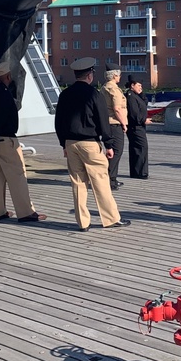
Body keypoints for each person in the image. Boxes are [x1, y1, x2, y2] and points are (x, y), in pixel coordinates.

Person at [54, 57, 130, 231]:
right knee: (100, 180)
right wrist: (109, 144)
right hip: (89, 143)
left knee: (78, 182)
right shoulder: (94, 94)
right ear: (89, 75)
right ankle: (110, 218)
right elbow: (103, 121)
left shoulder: (65, 94)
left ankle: (82, 222)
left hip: (70, 143)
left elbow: (59, 122)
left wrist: (63, 144)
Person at [0, 62, 46, 223]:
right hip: (5, 140)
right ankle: (26, 212)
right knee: (17, 175)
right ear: (8, 76)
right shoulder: (5, 94)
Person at [100, 62, 128, 191]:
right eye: (119, 75)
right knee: (116, 152)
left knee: (112, 151)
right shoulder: (114, 89)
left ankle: (112, 178)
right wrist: (123, 123)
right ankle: (110, 179)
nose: (120, 77)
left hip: (107, 123)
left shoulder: (104, 87)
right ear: (115, 75)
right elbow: (117, 108)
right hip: (114, 123)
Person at [124, 74, 150, 179]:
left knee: (138, 148)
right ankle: (140, 172)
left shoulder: (136, 96)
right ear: (132, 85)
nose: (140, 88)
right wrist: (143, 120)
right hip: (135, 126)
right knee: (141, 147)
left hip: (139, 126)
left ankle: (137, 171)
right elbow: (134, 113)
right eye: (139, 85)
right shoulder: (130, 96)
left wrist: (141, 93)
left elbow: (145, 102)